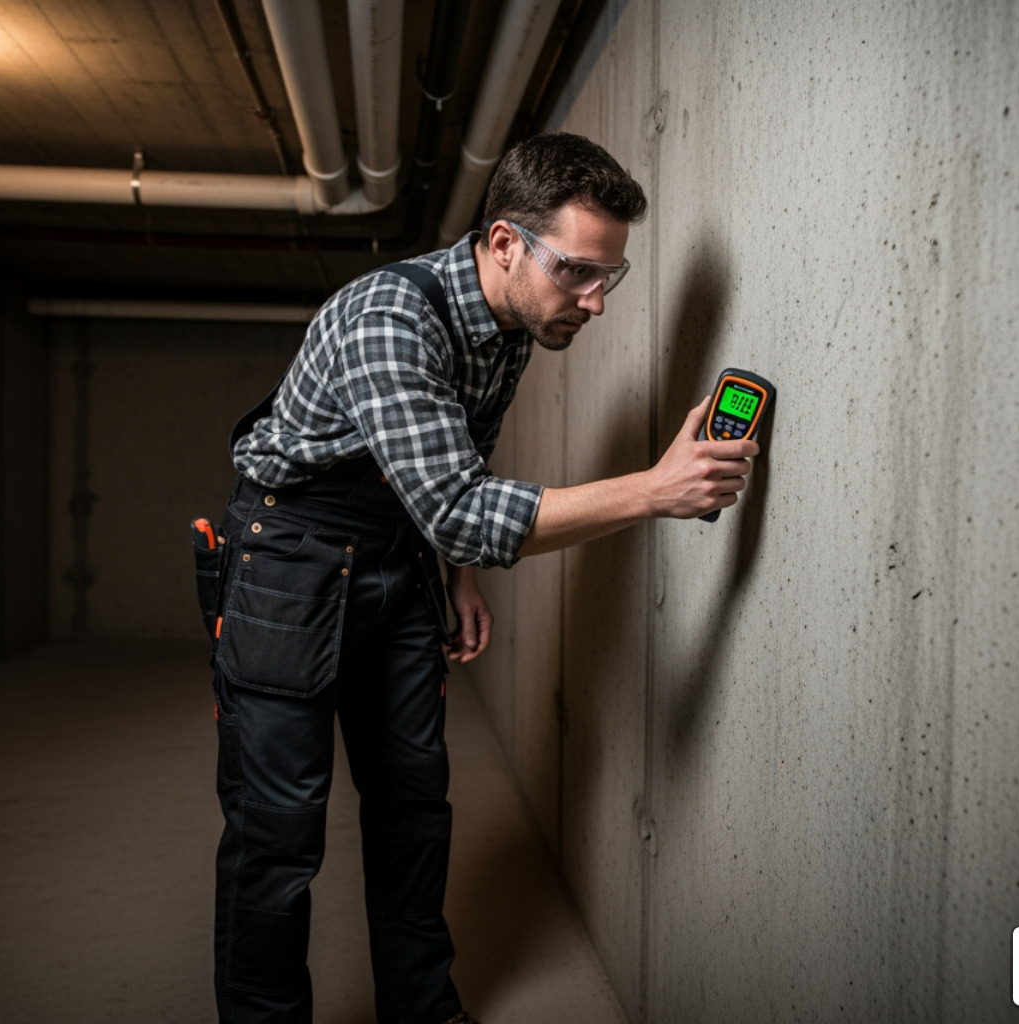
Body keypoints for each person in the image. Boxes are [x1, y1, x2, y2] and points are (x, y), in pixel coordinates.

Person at [209, 131, 758, 1024]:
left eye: (608, 278)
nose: (595, 301)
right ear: (505, 243)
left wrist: (454, 573)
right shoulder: (389, 316)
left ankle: (423, 1010)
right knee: (279, 833)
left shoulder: (515, 321)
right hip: (290, 563)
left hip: (398, 558)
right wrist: (656, 490)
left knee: (414, 813)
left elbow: (454, 466)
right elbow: (460, 503)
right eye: (578, 271)